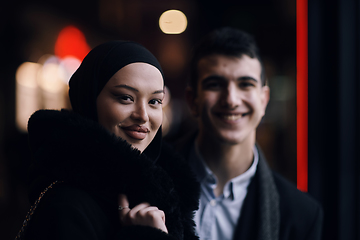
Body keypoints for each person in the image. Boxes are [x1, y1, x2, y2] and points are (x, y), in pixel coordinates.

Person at [17, 41, 199, 240]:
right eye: (126, 98)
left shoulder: (164, 196)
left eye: (154, 101)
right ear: (89, 99)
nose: (143, 115)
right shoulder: (65, 207)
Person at [174, 27, 323, 240]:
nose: (232, 100)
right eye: (215, 84)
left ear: (264, 100)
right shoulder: (148, 175)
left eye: (245, 84)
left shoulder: (302, 215)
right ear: (192, 100)